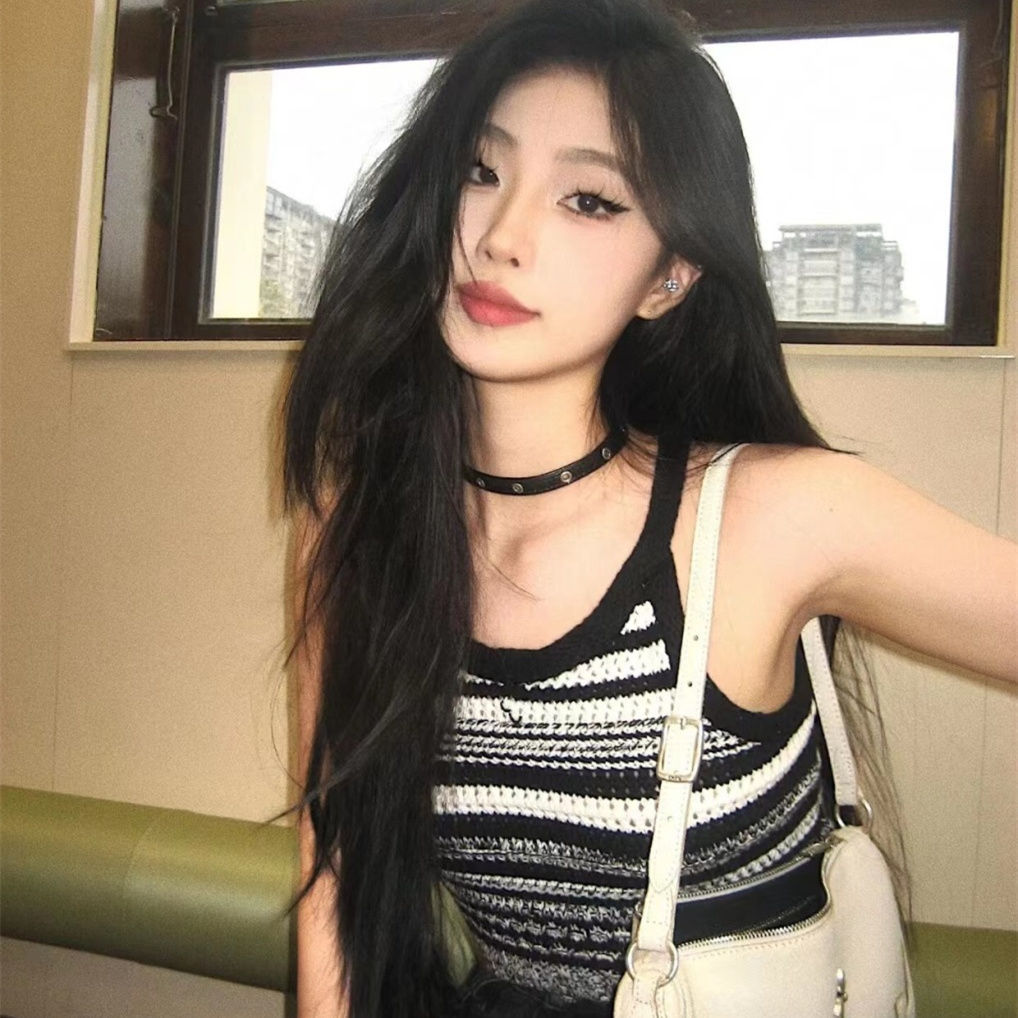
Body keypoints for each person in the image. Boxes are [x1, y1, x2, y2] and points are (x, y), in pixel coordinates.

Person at [283, 1, 1018, 1016]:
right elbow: (334, 858)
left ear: (669, 278)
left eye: (589, 200)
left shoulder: (771, 515)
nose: (501, 237)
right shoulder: (359, 522)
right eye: (480, 170)